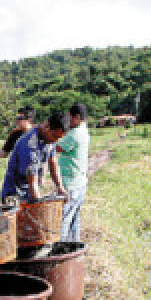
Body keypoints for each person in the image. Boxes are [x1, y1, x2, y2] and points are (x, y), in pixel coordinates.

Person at [0, 111, 67, 203]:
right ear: (47, 126)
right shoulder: (30, 145)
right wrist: (39, 206)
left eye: (59, 138)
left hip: (29, 192)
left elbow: (53, 163)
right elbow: (32, 184)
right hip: (14, 195)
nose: (56, 141)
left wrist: (60, 187)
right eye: (55, 136)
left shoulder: (51, 140)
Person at [56, 102, 90, 241]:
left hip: (71, 183)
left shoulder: (74, 134)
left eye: (70, 117)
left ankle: (63, 248)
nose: (68, 120)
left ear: (76, 117)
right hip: (79, 182)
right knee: (74, 219)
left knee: (64, 219)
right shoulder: (83, 130)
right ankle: (73, 247)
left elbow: (57, 148)